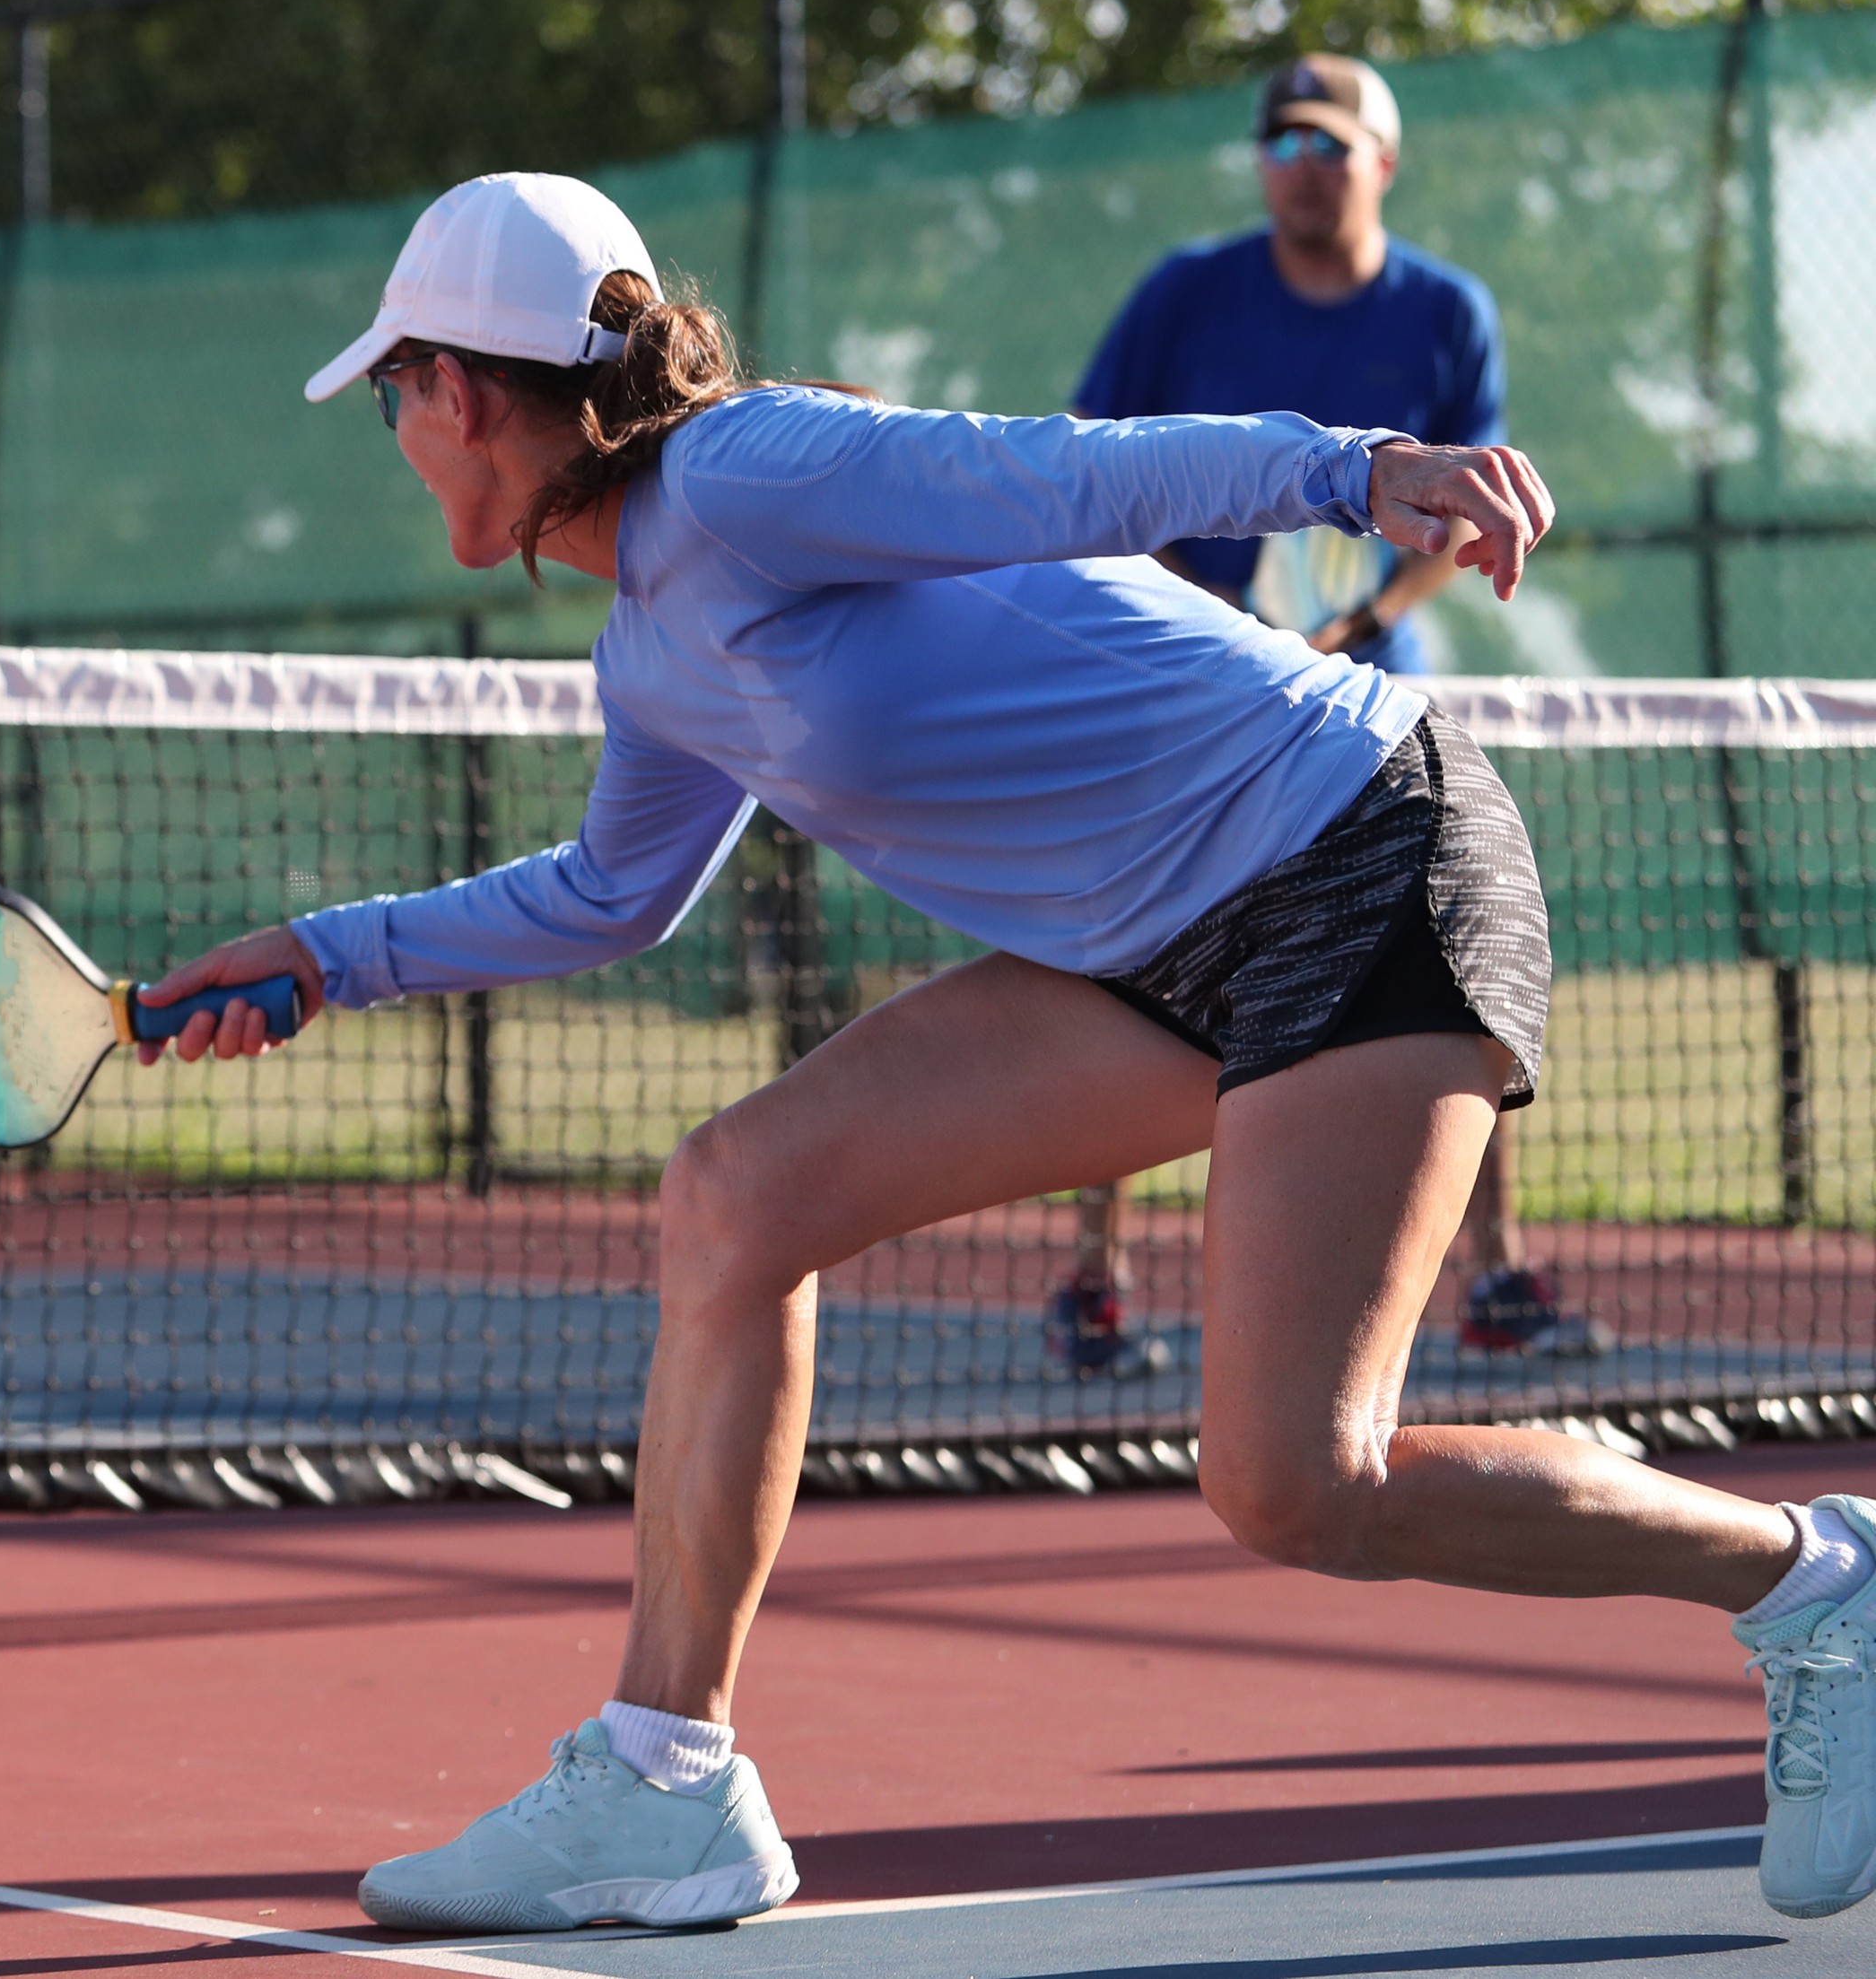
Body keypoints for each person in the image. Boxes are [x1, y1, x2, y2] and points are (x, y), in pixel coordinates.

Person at [142, 171, 1876, 1932]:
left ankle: (1815, 1583)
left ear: (449, 391)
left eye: (389, 394)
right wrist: (316, 957)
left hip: (1355, 852)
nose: (394, 431)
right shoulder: (651, 653)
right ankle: (662, 1783)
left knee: (1295, 1481)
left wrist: (1356, 469)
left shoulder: (747, 469)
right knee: (736, 1197)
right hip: (1138, 949)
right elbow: (608, 897)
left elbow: (1066, 473)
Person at [1055, 55, 1601, 1382]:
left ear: (1383, 161)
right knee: (1127, 946)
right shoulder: (1185, 293)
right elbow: (1085, 462)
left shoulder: (1445, 312)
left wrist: (1349, 629)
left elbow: (1466, 504)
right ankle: (1094, 1278)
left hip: (1368, 717)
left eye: (1330, 145)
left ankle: (1494, 1276)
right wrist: (1195, 627)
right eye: (1282, 144)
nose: (1303, 166)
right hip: (1189, 686)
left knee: (1456, 961)